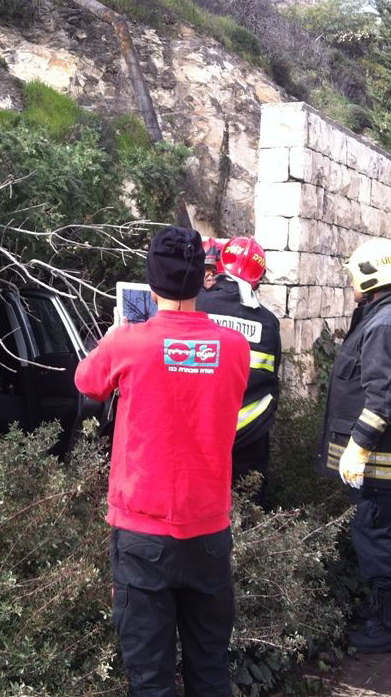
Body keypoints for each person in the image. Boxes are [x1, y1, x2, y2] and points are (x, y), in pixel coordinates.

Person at [75, 226, 250, 695]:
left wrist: (115, 333)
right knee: (210, 670)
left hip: (141, 535)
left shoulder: (127, 342)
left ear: (151, 282)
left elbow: (87, 383)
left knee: (151, 678)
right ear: (202, 279)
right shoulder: (235, 347)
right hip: (209, 531)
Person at [316, 237, 391, 653]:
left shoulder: (386, 323)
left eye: (353, 276)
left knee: (377, 537)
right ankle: (380, 612)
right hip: (378, 460)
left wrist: (358, 446)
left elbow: (385, 395)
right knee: (372, 534)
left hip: (379, 460)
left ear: (370, 275)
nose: (350, 284)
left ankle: (389, 627)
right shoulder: (384, 317)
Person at [198, 236, 281, 503]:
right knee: (247, 508)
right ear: (258, 279)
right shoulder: (268, 324)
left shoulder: (196, 306)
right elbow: (271, 376)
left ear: (220, 266)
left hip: (199, 433)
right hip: (250, 436)